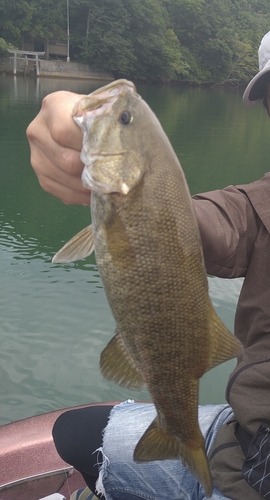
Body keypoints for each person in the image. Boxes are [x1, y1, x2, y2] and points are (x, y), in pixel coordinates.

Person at [27, 31, 270, 500]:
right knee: (72, 434)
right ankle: (177, 443)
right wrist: (129, 195)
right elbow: (209, 221)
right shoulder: (261, 203)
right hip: (242, 437)